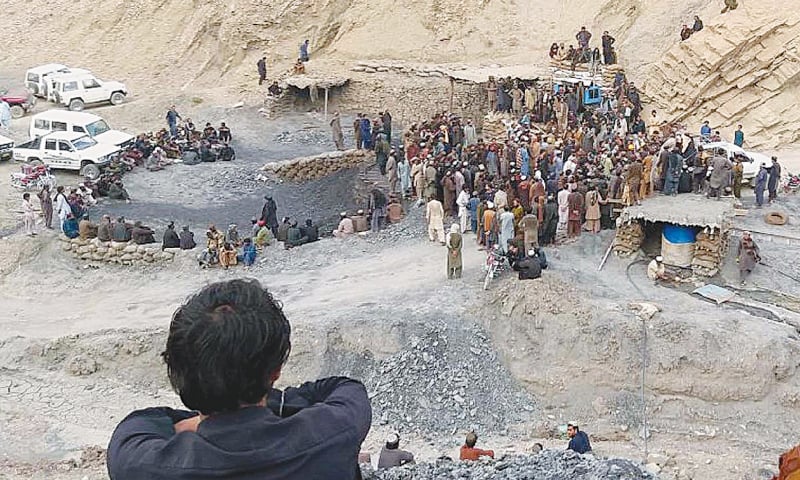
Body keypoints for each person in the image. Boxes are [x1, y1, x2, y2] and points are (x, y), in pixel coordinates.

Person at [107, 279, 371, 480]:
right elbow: (342, 387)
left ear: (178, 373)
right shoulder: (337, 427)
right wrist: (274, 403)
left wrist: (203, 414)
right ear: (275, 372)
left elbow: (146, 422)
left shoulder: (136, 459)